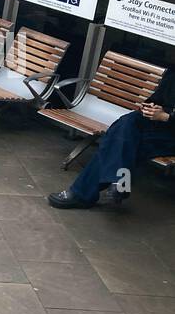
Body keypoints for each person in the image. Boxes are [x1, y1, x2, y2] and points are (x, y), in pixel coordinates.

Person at [48, 67, 175, 209]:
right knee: (127, 122)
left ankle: (81, 194)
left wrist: (166, 117)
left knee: (117, 143)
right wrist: (150, 107)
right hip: (160, 125)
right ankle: (120, 181)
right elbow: (160, 99)